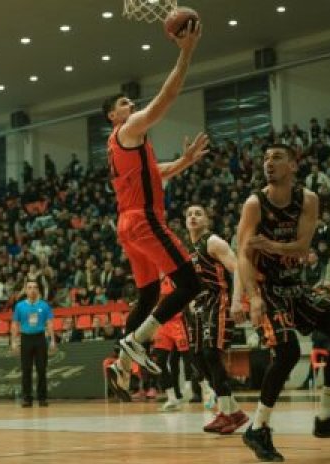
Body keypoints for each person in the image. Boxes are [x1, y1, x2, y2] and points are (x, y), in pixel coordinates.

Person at [235, 144, 330, 462]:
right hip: (266, 288)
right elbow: (243, 255)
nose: (269, 163)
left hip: (294, 284)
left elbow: (302, 248)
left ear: (293, 165)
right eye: (265, 158)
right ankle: (258, 427)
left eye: (277, 157)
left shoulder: (307, 200)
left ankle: (327, 417)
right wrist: (251, 298)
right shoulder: (255, 203)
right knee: (288, 351)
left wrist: (272, 245)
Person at [101, 19, 207, 389]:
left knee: (148, 294)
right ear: (113, 116)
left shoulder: (124, 146)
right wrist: (186, 52)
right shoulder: (129, 130)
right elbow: (167, 98)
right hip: (145, 220)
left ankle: (120, 362)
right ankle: (135, 341)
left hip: (127, 225)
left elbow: (154, 173)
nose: (131, 104)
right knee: (190, 284)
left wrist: (184, 161)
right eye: (124, 103)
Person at [184, 205, 248, 434]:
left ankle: (227, 413)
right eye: (189, 214)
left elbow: (238, 268)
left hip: (219, 301)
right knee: (198, 360)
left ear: (207, 220)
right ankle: (233, 412)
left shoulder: (213, 242)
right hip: (200, 307)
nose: (193, 217)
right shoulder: (188, 248)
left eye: (198, 213)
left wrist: (237, 301)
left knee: (211, 354)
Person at [11, 280, 56, 407]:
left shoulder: (44, 305)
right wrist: (14, 342)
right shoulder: (19, 306)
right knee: (26, 370)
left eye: (35, 287)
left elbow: (49, 323)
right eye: (29, 287)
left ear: (38, 290)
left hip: (40, 338)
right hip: (26, 339)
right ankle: (27, 398)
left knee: (41, 369)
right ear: (25, 290)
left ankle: (42, 398)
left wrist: (52, 340)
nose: (32, 290)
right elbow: (15, 324)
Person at [152, 277, 192, 412]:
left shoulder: (175, 277)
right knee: (160, 361)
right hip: (162, 324)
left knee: (188, 356)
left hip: (177, 322)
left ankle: (192, 386)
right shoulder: (154, 281)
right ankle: (171, 398)